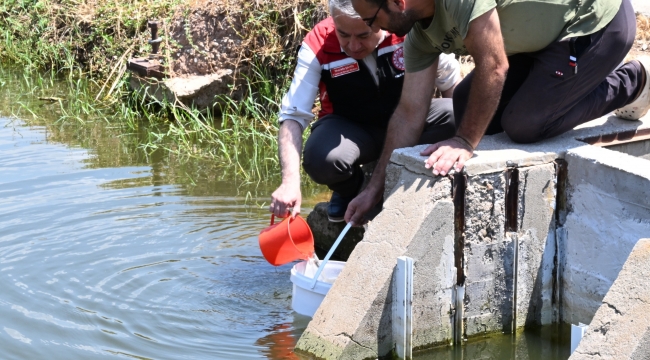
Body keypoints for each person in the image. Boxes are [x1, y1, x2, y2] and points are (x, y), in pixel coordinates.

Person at [345, 0, 649, 224]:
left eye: (371, 19)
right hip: (539, 40)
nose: (372, 30)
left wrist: (464, 141)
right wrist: (375, 188)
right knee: (465, 104)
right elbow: (409, 112)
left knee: (525, 124)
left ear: (399, 3)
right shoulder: (420, 37)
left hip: (593, 22)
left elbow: (494, 67)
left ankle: (634, 81)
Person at [269, 0, 461, 222]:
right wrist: (289, 183)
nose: (353, 46)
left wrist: (463, 145)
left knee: (455, 114)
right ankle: (351, 190)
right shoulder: (319, 42)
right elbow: (293, 114)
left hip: (411, 123)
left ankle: (407, 179)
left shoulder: (407, 29)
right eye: (344, 35)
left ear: (379, 20)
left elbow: (451, 84)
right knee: (321, 158)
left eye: (363, 35)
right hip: (354, 131)